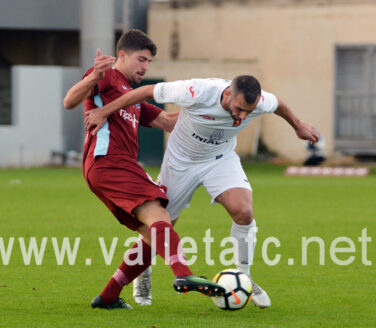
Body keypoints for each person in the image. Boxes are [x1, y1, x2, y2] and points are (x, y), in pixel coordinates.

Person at [85, 75, 319, 309]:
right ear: (227, 94)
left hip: (220, 159)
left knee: (244, 211)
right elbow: (146, 91)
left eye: (249, 111)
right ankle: (142, 273)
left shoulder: (260, 102)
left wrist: (298, 125)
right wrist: (104, 111)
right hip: (180, 162)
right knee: (158, 228)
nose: (242, 117)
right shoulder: (197, 91)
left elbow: (279, 104)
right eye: (239, 109)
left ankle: (245, 277)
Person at [64, 29, 225, 310]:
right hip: (108, 161)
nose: (145, 67)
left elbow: (167, 121)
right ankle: (183, 274)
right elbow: (69, 101)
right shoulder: (107, 77)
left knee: (155, 233)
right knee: (160, 217)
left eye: (149, 62)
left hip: (115, 167)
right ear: (122, 56)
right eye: (142, 60)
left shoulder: (134, 97)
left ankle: (108, 297)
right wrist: (93, 77)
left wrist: (212, 110)